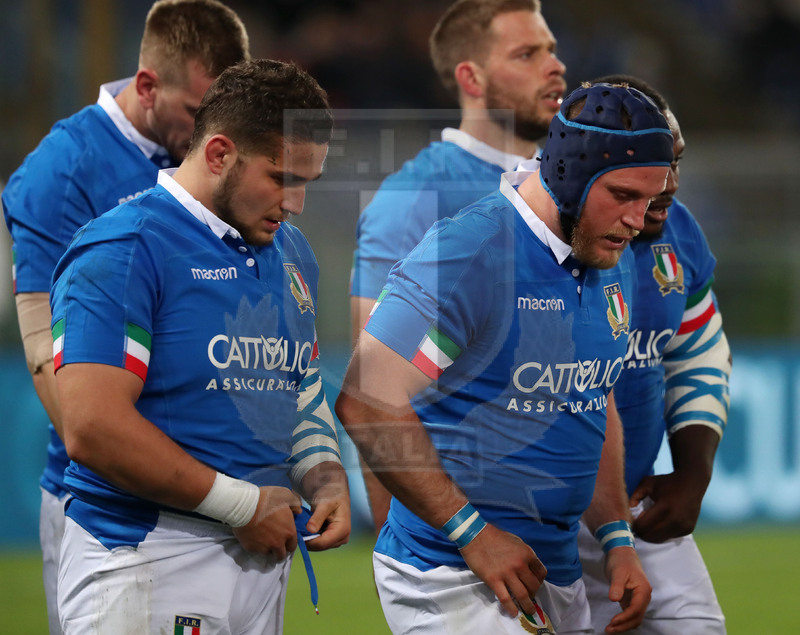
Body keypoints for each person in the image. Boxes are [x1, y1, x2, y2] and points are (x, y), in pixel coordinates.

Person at [335, 82, 675, 634]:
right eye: (622, 194)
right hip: (449, 571)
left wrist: (616, 539)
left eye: (651, 200)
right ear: (570, 175)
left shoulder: (613, 256)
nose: (638, 219)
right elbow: (365, 399)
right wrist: (472, 533)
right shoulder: (471, 252)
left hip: (551, 572)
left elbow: (592, 397)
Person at [49, 58, 350, 634]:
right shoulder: (123, 248)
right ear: (218, 154)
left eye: (308, 183)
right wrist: (243, 505)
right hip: (145, 560)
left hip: (261, 561)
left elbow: (299, 384)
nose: (296, 204)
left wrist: (323, 473)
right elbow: (91, 426)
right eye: (283, 178)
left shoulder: (292, 253)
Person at [1, 2, 249, 631]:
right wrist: (130, 475)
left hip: (216, 493)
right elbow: (43, 351)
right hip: (114, 504)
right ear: (146, 87)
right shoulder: (64, 170)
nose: (211, 139)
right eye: (197, 114)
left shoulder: (210, 157)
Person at [350, 0, 567, 532]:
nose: (554, 65)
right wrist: (395, 549)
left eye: (552, 49)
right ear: (471, 77)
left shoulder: (572, 187)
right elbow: (370, 389)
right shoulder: (415, 197)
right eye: (527, 53)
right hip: (471, 529)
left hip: (571, 515)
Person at [576, 75, 731, 634]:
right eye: (648, 167)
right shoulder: (536, 242)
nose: (668, 185)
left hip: (634, 506)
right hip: (535, 515)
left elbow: (698, 352)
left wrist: (693, 473)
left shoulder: (681, 236)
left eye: (676, 163)